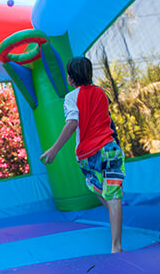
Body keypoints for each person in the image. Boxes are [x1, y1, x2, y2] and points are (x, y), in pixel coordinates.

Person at [40, 56, 125, 253]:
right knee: (108, 192)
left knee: (104, 191)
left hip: (89, 154)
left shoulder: (71, 97)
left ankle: (116, 245)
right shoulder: (101, 93)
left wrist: (54, 149)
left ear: (70, 78)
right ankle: (116, 219)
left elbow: (72, 123)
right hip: (110, 149)